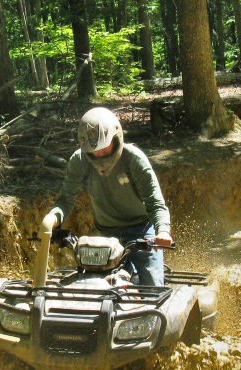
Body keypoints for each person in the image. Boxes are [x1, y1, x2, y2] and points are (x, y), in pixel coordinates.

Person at [44, 107, 173, 286]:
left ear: (116, 138)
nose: (100, 155)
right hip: (104, 235)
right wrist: (52, 220)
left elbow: (155, 202)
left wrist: (163, 231)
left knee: (152, 286)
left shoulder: (134, 160)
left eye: (104, 149)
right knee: (91, 284)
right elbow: (66, 199)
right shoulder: (79, 161)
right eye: (94, 151)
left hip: (142, 232)